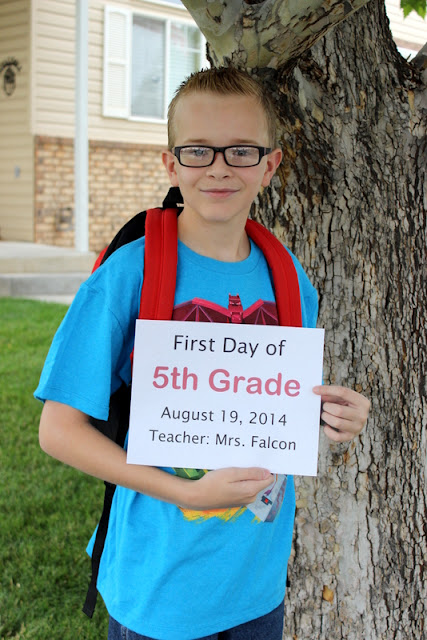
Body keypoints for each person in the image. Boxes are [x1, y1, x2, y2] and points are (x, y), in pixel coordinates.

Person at [36, 67, 370, 640]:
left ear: (270, 165)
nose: (219, 167)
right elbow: (58, 431)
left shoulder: (291, 279)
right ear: (172, 164)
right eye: (198, 150)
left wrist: (331, 414)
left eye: (242, 150)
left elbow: (264, 404)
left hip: (256, 583)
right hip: (158, 586)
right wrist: (188, 492)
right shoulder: (129, 276)